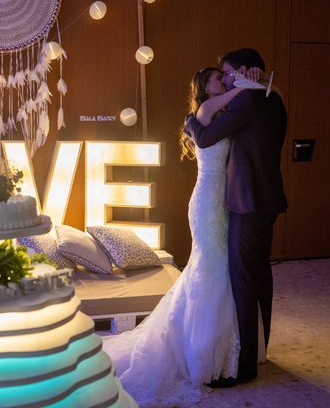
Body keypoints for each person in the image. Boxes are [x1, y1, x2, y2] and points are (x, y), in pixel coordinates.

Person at [102, 67, 265, 407]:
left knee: (217, 269)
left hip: (222, 201)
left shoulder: (220, 113)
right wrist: (244, 84)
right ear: (204, 86)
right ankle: (203, 354)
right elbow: (235, 98)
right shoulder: (205, 110)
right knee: (210, 267)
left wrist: (243, 86)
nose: (224, 79)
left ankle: (225, 348)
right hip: (206, 201)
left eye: (224, 76)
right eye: (218, 77)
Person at [184, 48, 288, 386]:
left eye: (228, 73)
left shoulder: (248, 102)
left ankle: (244, 367)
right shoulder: (274, 99)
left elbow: (206, 135)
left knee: (242, 278)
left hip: (246, 201)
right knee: (260, 272)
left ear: (243, 70)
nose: (226, 79)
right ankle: (261, 347)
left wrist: (189, 121)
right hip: (268, 198)